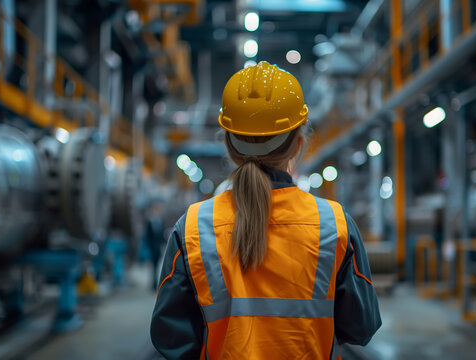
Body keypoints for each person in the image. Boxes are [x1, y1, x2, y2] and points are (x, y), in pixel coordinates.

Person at [151, 61, 381, 359]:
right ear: (298, 143)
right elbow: (361, 328)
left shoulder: (194, 227)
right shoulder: (334, 224)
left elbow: (171, 340)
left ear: (229, 144)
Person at [146, 202, 165, 290]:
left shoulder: (161, 221)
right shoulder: (150, 221)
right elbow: (148, 235)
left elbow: (162, 235)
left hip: (158, 247)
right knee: (153, 266)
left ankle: (155, 282)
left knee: (157, 266)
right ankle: (153, 283)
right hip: (152, 247)